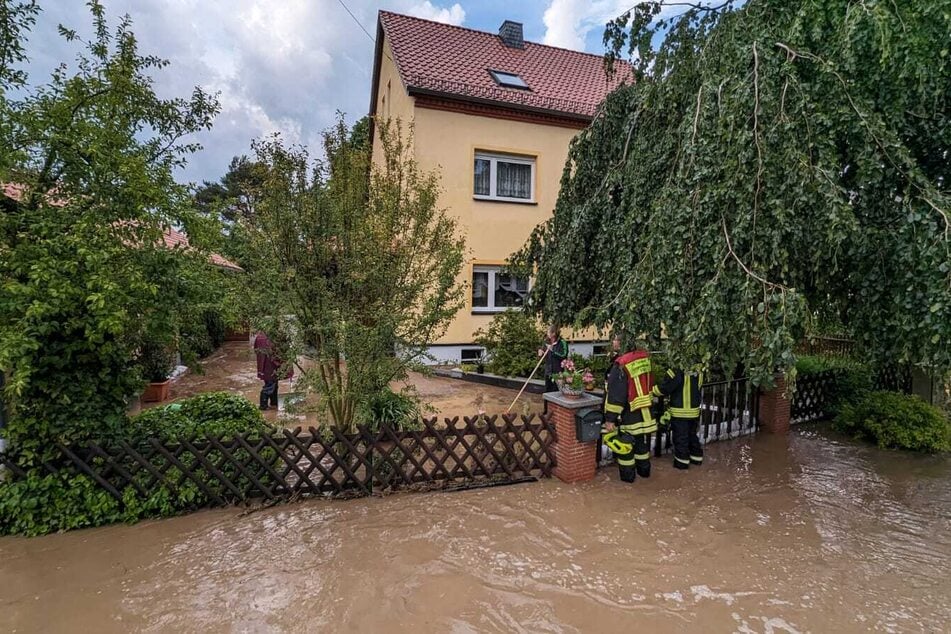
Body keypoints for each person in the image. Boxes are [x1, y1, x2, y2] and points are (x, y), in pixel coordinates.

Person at [602, 344, 657, 482]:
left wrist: (610, 419)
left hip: (629, 413)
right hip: (644, 410)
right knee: (640, 445)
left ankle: (628, 480)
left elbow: (617, 395)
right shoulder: (644, 357)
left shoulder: (621, 364)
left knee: (625, 448)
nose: (612, 342)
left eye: (615, 339)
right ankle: (645, 473)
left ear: (621, 343)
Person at [653, 366, 704, 469]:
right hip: (694, 411)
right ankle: (696, 458)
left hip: (680, 412)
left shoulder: (676, 370)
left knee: (681, 439)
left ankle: (682, 464)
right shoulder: (698, 369)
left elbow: (665, 388)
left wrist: (653, 391)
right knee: (692, 436)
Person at [253, 330, 292, 411]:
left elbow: (256, 350)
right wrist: (284, 365)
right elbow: (278, 355)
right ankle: (263, 406)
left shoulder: (260, 336)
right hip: (271, 366)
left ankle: (274, 403)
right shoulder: (276, 338)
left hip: (264, 366)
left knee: (273, 383)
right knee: (270, 385)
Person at [539, 325, 569, 393]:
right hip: (548, 372)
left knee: (556, 392)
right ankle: (546, 403)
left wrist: (553, 351)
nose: (547, 334)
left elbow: (564, 355)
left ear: (554, 333)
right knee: (547, 391)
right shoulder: (546, 342)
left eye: (548, 332)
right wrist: (540, 352)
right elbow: (542, 351)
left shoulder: (562, 342)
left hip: (558, 373)